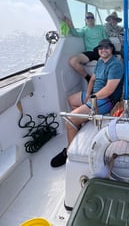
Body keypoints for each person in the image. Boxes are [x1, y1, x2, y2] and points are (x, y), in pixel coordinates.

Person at [50, 39, 124, 168]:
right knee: (71, 100)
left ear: (111, 49)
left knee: (70, 119)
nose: (103, 49)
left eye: (106, 47)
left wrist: (92, 98)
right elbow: (92, 80)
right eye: (101, 48)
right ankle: (81, 126)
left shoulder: (116, 64)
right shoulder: (100, 62)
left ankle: (69, 152)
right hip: (95, 95)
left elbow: (109, 90)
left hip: (107, 100)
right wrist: (88, 94)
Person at [65, 12, 108, 82]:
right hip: (90, 52)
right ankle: (89, 78)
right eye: (88, 17)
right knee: (73, 61)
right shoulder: (84, 30)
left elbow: (106, 40)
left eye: (91, 17)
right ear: (85, 20)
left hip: (101, 50)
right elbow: (75, 33)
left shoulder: (100, 28)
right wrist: (70, 25)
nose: (90, 19)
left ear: (94, 19)